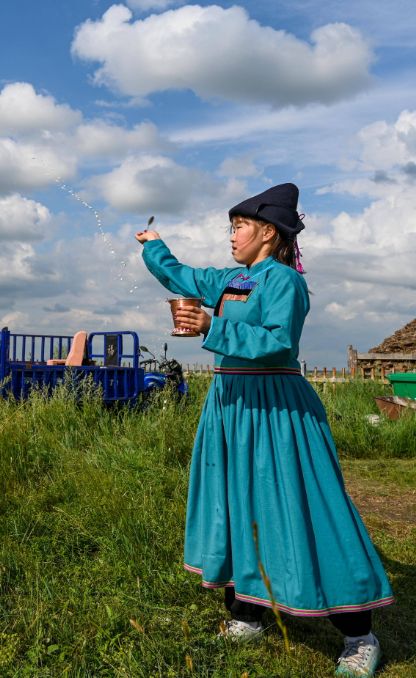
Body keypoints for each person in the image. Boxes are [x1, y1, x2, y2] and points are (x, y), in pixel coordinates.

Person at [135, 184, 393, 678]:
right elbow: (183, 275)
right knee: (236, 506)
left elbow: (277, 343)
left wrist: (210, 328)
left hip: (275, 408)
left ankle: (359, 635)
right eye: (231, 227)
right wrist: (154, 246)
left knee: (304, 508)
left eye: (239, 226)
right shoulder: (235, 279)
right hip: (230, 407)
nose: (232, 236)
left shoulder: (285, 283)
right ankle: (248, 614)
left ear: (268, 232)